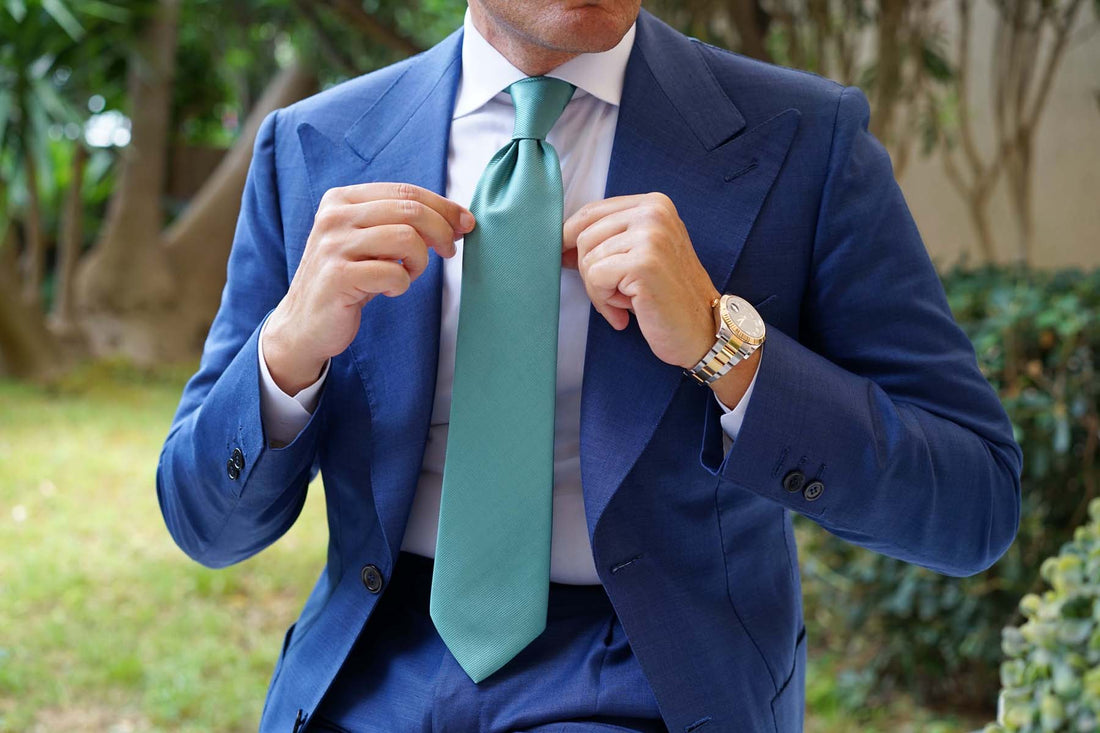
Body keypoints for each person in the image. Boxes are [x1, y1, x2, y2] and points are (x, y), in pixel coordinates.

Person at [156, 1, 1023, 731]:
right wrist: (287, 349)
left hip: (646, 677)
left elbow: (972, 503)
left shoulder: (804, 140)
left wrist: (726, 349)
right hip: (370, 668)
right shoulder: (312, 144)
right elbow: (206, 524)